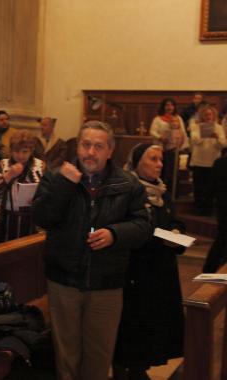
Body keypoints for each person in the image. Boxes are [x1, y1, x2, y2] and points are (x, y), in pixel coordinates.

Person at [32, 120, 152, 380]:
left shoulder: (127, 184)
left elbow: (144, 225)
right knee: (66, 355)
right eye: (86, 145)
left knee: (99, 356)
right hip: (64, 281)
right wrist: (65, 185)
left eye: (99, 146)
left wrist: (115, 234)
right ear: (78, 146)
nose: (91, 152)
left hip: (107, 284)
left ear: (110, 150)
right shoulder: (56, 176)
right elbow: (42, 217)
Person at [113, 144, 185, 379]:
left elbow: (172, 219)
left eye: (161, 159)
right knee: (133, 323)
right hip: (135, 270)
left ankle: (138, 367)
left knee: (153, 324)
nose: (159, 164)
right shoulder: (126, 190)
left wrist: (176, 231)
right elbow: (125, 229)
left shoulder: (162, 191)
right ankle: (124, 367)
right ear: (136, 163)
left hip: (160, 270)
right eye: (153, 159)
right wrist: (158, 239)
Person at [0, 130, 44, 244]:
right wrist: (9, 175)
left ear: (31, 151)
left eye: (25, 151)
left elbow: (48, 193)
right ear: (11, 151)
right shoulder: (1, 165)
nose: (20, 156)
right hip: (5, 219)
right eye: (16, 151)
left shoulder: (40, 166)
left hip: (31, 221)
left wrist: (38, 199)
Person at [188, 106, 227, 215]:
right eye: (206, 114)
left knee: (210, 188)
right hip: (199, 161)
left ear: (214, 116)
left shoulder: (218, 127)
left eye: (210, 114)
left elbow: (223, 144)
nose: (208, 116)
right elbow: (195, 141)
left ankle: (208, 209)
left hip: (213, 161)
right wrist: (204, 135)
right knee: (198, 187)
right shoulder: (196, 126)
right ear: (202, 116)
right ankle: (199, 209)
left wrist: (216, 138)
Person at [149, 98, 187, 193]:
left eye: (171, 105)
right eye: (167, 105)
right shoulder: (158, 119)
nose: (169, 107)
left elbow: (183, 132)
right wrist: (160, 137)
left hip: (174, 149)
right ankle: (160, 190)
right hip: (161, 149)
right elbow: (152, 131)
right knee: (162, 170)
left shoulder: (178, 118)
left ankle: (173, 191)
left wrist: (181, 144)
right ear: (163, 107)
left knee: (173, 171)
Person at [203, 154, 227, 272]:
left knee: (221, 238)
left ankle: (209, 270)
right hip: (223, 206)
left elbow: (211, 186)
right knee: (222, 239)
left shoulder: (219, 162)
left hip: (222, 206)